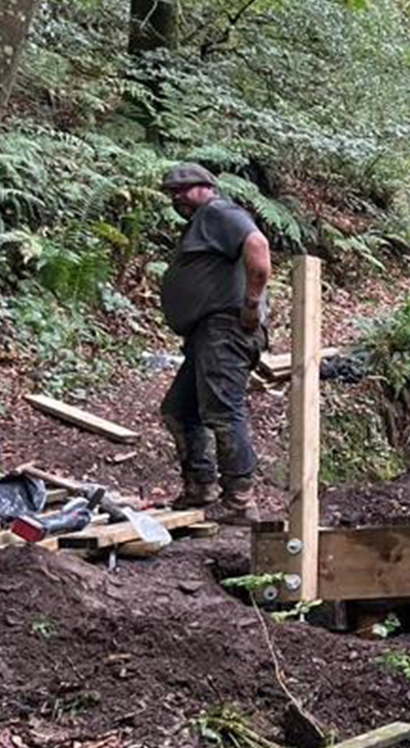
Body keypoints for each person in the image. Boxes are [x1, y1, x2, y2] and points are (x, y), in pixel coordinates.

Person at [157, 162, 270, 524]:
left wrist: (251, 304)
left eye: (184, 189)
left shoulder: (219, 211)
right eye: (172, 193)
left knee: (223, 410)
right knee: (179, 409)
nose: (178, 198)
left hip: (225, 329)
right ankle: (200, 487)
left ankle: (239, 501)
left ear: (206, 186)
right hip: (206, 334)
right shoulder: (204, 221)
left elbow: (257, 244)